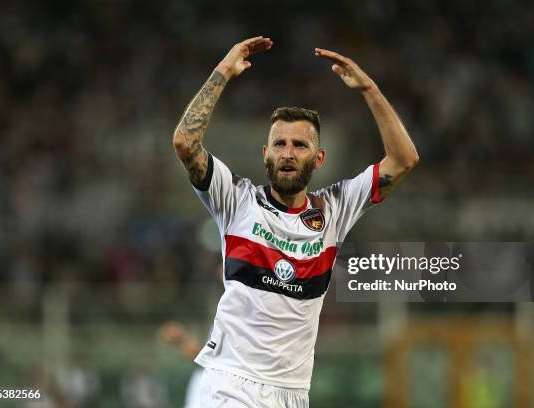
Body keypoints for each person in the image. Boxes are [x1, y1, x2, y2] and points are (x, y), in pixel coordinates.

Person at [172, 36, 419, 407]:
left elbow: (403, 160)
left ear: (318, 158)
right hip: (230, 384)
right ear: (266, 154)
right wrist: (223, 72)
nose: (288, 153)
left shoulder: (335, 208)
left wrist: (370, 90)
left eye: (299, 145)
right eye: (280, 144)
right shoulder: (236, 199)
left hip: (292, 394)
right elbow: (185, 143)